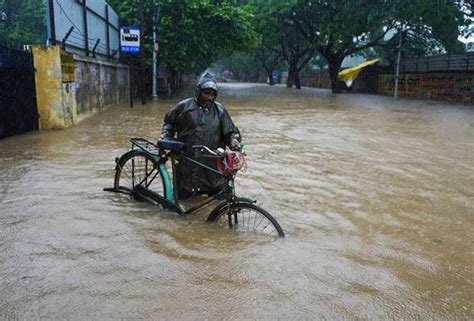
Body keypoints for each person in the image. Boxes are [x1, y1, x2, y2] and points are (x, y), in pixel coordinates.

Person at [159, 75, 241, 199]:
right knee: (183, 200)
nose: (209, 97)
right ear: (198, 92)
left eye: (212, 94)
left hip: (212, 165)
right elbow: (169, 123)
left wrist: (233, 140)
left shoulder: (220, 111)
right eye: (206, 93)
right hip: (187, 163)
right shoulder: (184, 107)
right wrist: (166, 138)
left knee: (221, 199)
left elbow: (230, 132)